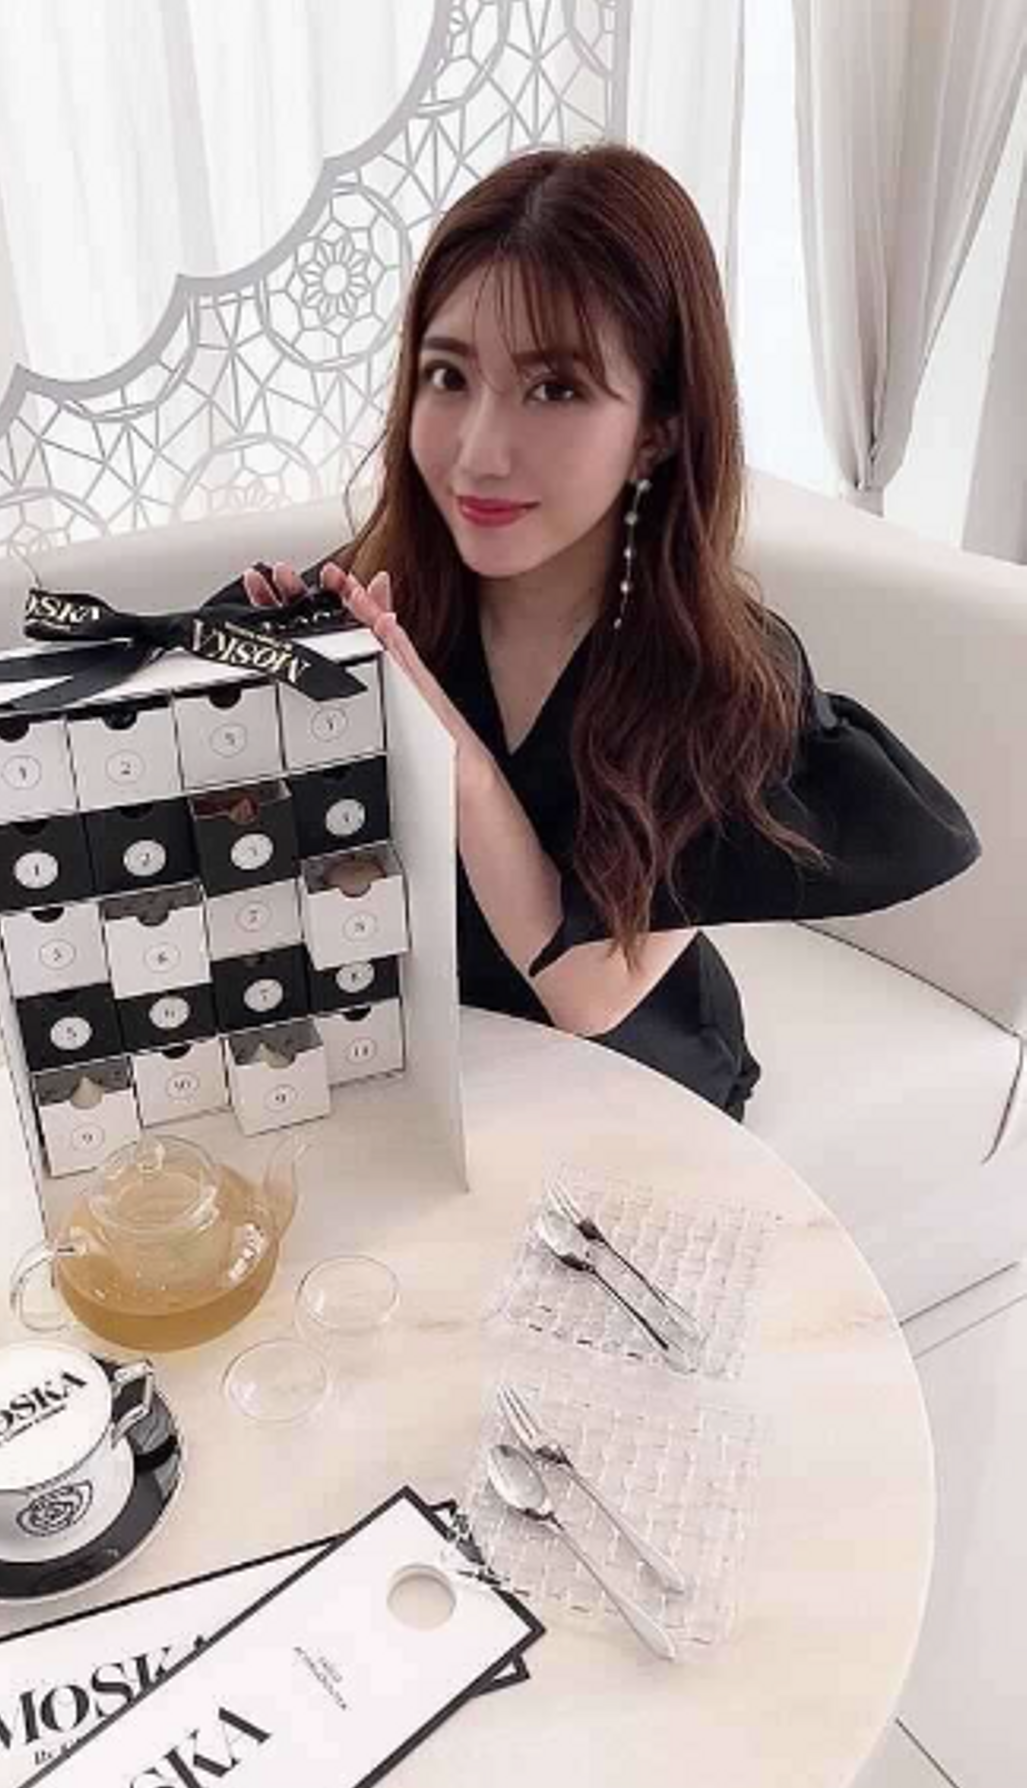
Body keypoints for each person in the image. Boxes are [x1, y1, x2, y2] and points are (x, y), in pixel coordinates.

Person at [202, 143, 981, 1123]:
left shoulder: (725, 682)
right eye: (449, 376)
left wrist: (445, 748)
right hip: (420, 1054)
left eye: (556, 388)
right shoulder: (392, 599)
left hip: (627, 1085)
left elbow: (583, 993)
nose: (479, 452)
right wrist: (254, 700)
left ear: (657, 426)